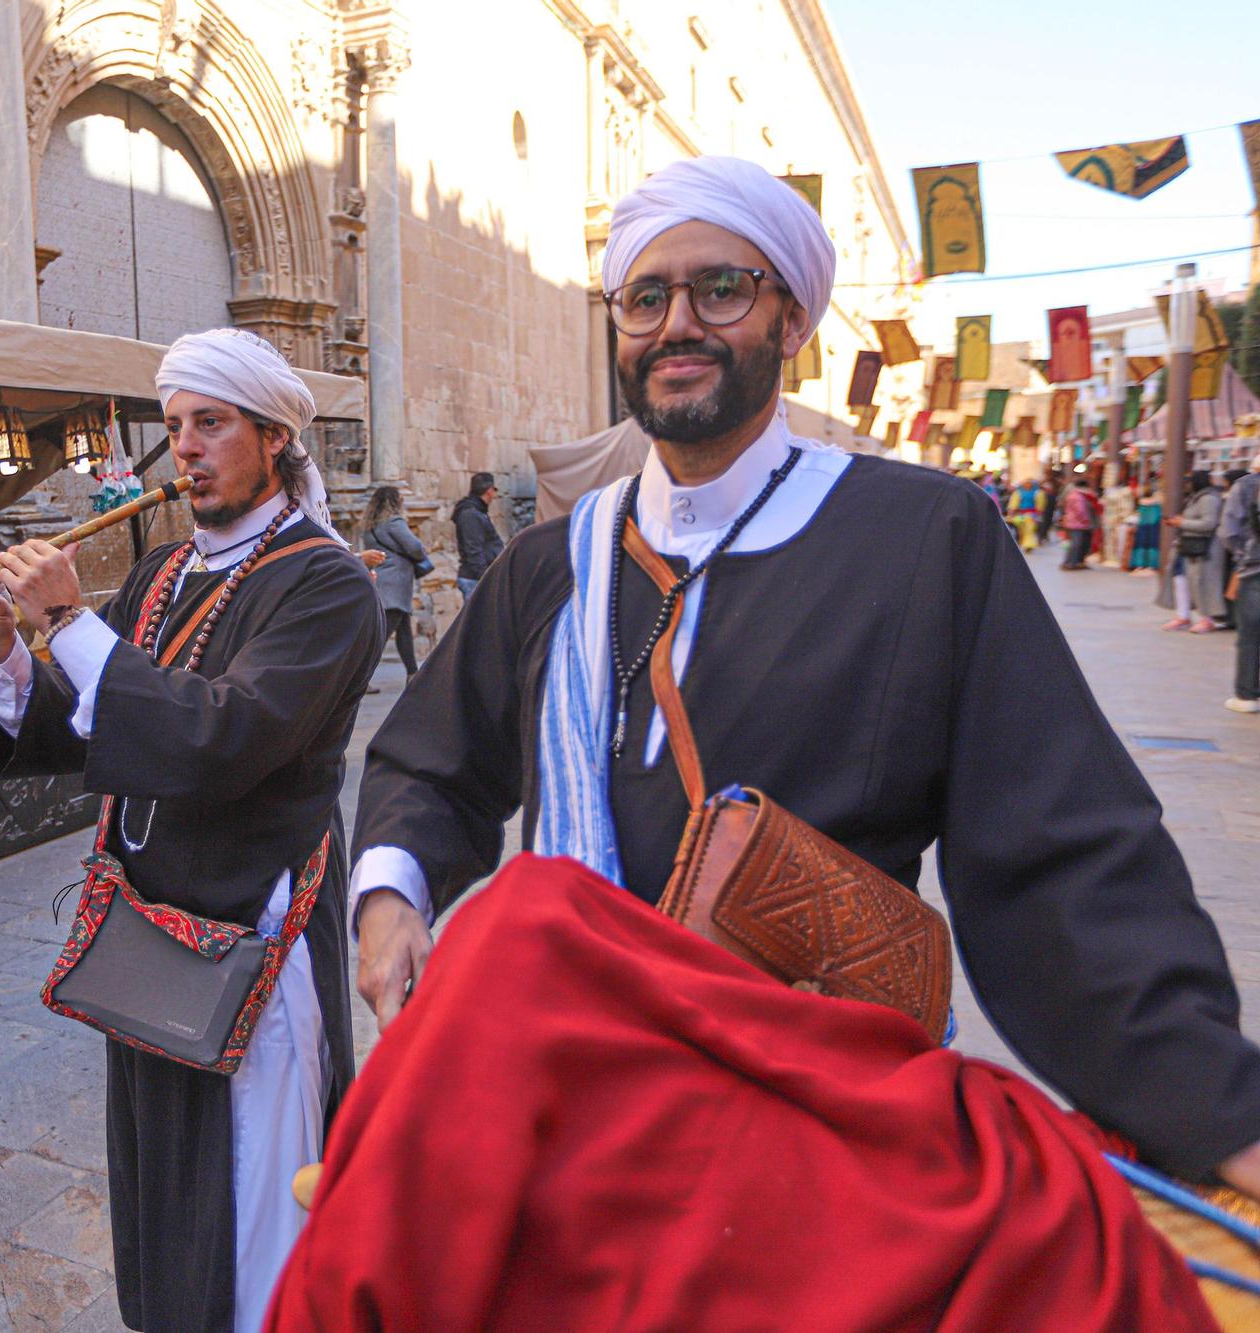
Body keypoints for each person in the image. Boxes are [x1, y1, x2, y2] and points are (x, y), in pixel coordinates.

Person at [347, 155, 1260, 1225]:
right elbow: (430, 760)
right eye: (644, 298)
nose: (675, 322)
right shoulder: (552, 565)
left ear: (790, 321)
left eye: (718, 289)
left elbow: (1062, 851)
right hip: (571, 1115)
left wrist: (1217, 1109)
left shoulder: (925, 536)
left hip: (817, 1132)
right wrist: (387, 894)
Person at [0, 327, 381, 1333]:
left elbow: (220, 738)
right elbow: (77, 725)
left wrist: (69, 622)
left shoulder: (325, 583)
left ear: (272, 437)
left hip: (249, 931)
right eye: (173, 426)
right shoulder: (164, 570)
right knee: (167, 1177)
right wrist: (1, 651)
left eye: (209, 423)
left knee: (254, 1187)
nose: (183, 448)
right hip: (150, 929)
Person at [358, 485, 430, 680]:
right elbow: (415, 548)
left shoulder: (370, 526)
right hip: (395, 585)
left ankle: (413, 674)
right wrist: (422, 549)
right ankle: (355, 677)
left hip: (382, 581)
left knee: (404, 629)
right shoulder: (394, 522)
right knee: (381, 636)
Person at [1162, 470, 1225, 633]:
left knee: (1201, 582)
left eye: (1189, 481)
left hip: (1203, 547)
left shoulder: (1208, 499)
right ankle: (1183, 616)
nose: (1187, 485)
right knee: (1180, 578)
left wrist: (1182, 522)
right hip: (1189, 546)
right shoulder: (1196, 498)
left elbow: (1209, 523)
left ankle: (1206, 618)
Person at [1222, 452, 1260, 714]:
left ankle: (1246, 696)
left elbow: (1228, 530)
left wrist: (1242, 555)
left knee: (1249, 634)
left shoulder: (1245, 486)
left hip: (1254, 568)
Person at [452, 472, 504, 601]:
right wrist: (485, 577)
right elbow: (473, 549)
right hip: (475, 579)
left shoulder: (478, 512)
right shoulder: (470, 514)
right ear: (489, 491)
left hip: (479, 578)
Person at [1058, 473, 1097, 569]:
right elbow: (1080, 511)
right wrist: (1086, 520)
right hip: (1077, 524)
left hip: (1071, 522)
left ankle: (1069, 562)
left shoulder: (1072, 495)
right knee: (1076, 544)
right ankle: (1071, 563)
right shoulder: (1078, 497)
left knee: (1074, 544)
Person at [1102, 467, 1137, 568]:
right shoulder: (1114, 492)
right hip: (1110, 518)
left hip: (1116, 518)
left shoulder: (1123, 492)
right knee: (1110, 539)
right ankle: (1111, 556)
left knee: (1115, 539)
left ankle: (1114, 557)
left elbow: (1126, 507)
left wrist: (1122, 516)